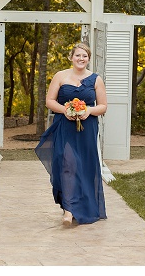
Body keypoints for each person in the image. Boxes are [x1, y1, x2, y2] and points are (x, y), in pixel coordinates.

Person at [35, 42, 107, 225]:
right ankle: (68, 210)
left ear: (89, 59)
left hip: (87, 129)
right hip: (64, 127)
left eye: (84, 56)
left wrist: (88, 111)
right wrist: (65, 110)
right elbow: (49, 101)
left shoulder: (96, 80)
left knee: (85, 165)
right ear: (71, 57)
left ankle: (84, 207)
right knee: (66, 163)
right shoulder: (60, 76)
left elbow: (103, 106)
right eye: (78, 55)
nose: (81, 59)